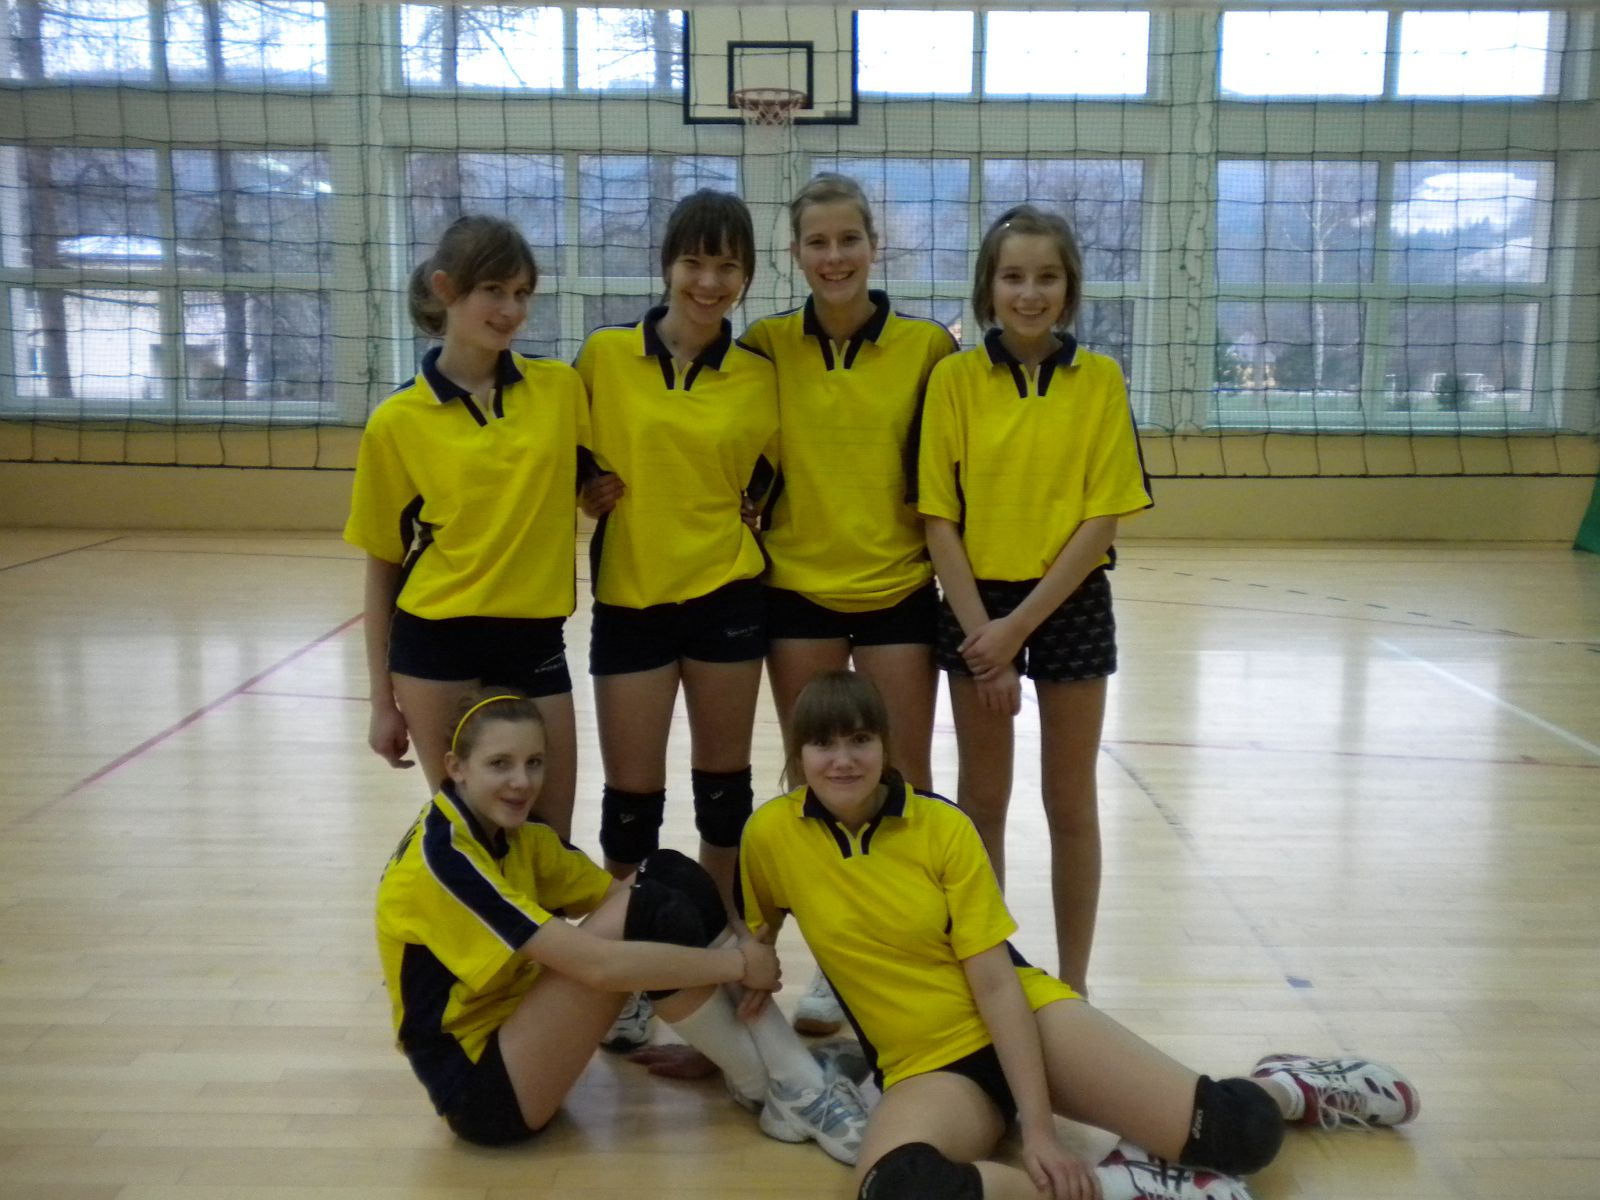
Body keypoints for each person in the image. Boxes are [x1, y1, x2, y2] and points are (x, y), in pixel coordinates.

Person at [738, 671, 1421, 1200]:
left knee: (1238, 1135)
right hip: (928, 1070)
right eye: (824, 744)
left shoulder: (940, 827)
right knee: (894, 1189)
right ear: (799, 754)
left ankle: (1290, 1086)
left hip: (1030, 1022)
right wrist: (756, 962)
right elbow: (756, 926)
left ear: (886, 747)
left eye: (860, 740)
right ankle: (1121, 1184)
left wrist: (1040, 1130)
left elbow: (995, 982)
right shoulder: (770, 836)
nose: (843, 760)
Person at [375, 689, 871, 1160]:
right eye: (499, 764)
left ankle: (787, 1078)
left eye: (534, 762)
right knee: (648, 912)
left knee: (670, 873)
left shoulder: (515, 834)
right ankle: (790, 1088)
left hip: (518, 1030)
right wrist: (740, 964)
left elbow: (638, 898)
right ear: (456, 767)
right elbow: (600, 966)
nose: (522, 782)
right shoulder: (444, 860)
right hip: (483, 1093)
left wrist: (719, 1006)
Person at [742, 173, 959, 1037]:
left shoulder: (926, 348)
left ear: (874, 245)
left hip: (898, 586)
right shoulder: (765, 345)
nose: (834, 257)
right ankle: (831, 963)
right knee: (813, 784)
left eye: (848, 240)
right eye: (817, 243)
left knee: (903, 780)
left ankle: (907, 953)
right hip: (797, 589)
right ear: (795, 253)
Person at [917, 204, 1154, 994]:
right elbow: (937, 518)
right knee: (982, 800)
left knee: (1070, 802)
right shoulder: (953, 380)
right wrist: (987, 635)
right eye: (1013, 277)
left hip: (1067, 601)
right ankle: (992, 979)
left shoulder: (1100, 380)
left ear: (1069, 287)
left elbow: (1103, 517)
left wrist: (1017, 629)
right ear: (988, 288)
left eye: (1046, 277)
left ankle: (1074, 987)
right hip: (976, 605)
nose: (1029, 293)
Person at [344, 215, 583, 838]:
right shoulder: (396, 421)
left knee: (549, 837)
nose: (511, 310)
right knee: (474, 837)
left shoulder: (561, 390)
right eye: (493, 291)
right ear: (446, 289)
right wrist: (380, 702)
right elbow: (382, 566)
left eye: (522, 293)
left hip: (534, 637)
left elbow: (606, 465)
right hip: (437, 643)